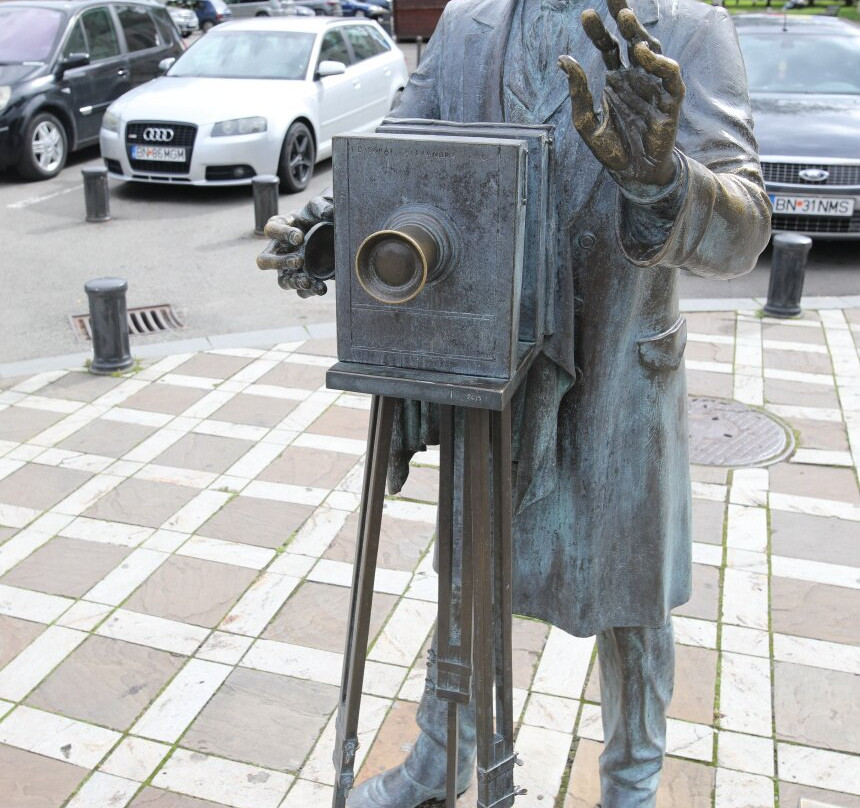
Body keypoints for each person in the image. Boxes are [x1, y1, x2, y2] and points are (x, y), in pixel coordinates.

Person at [258, 0, 771, 804]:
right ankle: (441, 760)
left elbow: (746, 232)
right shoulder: (466, 25)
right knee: (467, 576)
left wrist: (662, 180)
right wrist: (335, 226)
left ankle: (630, 783)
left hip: (616, 377)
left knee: (630, 606)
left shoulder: (691, 29)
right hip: (486, 368)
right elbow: (401, 156)